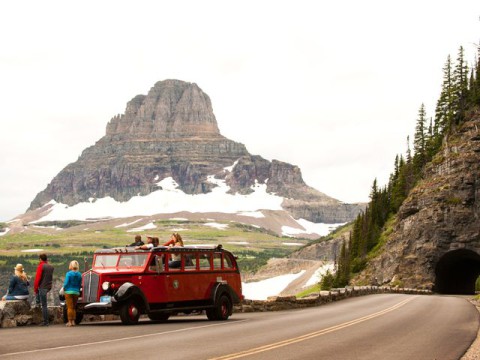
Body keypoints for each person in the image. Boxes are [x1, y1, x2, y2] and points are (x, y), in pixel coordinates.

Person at [34, 253, 54, 326]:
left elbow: (37, 279)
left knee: (44, 305)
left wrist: (35, 289)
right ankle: (37, 302)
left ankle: (46, 322)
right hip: (48, 286)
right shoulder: (51, 267)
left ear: (40, 259)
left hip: (42, 287)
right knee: (43, 303)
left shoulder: (41, 266)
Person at [63, 260, 82, 327]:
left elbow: (66, 283)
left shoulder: (68, 274)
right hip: (76, 292)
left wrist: (64, 288)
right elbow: (80, 284)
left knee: (69, 307)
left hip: (68, 292)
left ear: (71, 265)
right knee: (74, 307)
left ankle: (69, 321)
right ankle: (73, 321)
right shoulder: (79, 274)